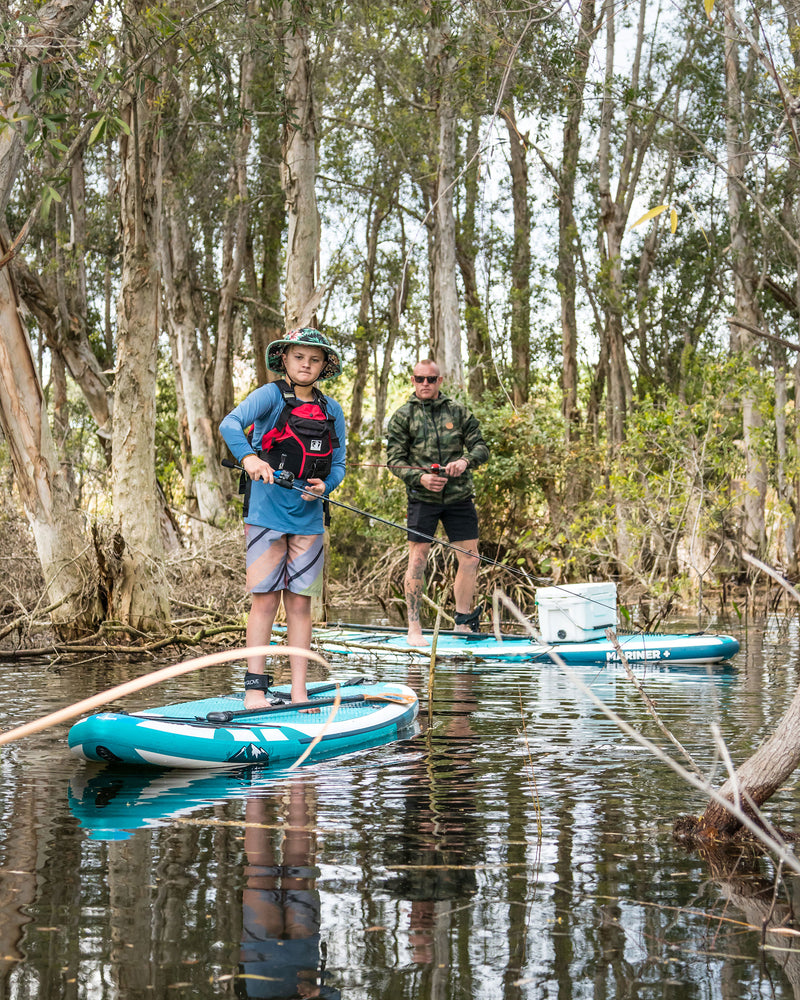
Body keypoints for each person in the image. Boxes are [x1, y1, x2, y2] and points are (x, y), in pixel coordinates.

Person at [220, 328, 346, 710]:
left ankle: (299, 691)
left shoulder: (332, 410)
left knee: (301, 606)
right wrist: (250, 458)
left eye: (314, 359)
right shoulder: (269, 395)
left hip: (308, 521)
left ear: (323, 366)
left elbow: (339, 465)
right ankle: (254, 690)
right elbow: (230, 424)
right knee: (264, 601)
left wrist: (325, 486)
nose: (306, 365)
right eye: (299, 357)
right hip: (265, 516)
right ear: (285, 360)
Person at [386, 359, 489, 646]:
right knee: (418, 559)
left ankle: (463, 622)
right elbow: (394, 461)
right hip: (422, 499)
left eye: (431, 379)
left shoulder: (457, 411)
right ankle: (414, 627)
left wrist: (464, 461)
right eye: (420, 379)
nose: (425, 384)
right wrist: (420, 478)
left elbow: (481, 447)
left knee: (470, 558)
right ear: (413, 380)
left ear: (439, 381)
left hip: (459, 497)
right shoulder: (403, 416)